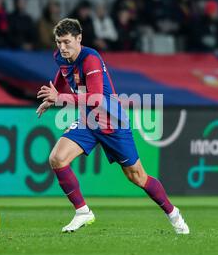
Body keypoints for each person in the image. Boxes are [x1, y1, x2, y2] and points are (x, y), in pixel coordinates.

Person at [36, 18, 189, 234]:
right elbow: (62, 74)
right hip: (88, 121)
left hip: (111, 122)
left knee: (137, 177)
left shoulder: (91, 59)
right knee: (57, 158)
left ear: (79, 39)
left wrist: (59, 97)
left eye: (67, 42)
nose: (62, 47)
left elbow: (97, 98)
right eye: (58, 42)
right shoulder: (60, 56)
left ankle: (173, 214)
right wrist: (52, 97)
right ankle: (82, 212)